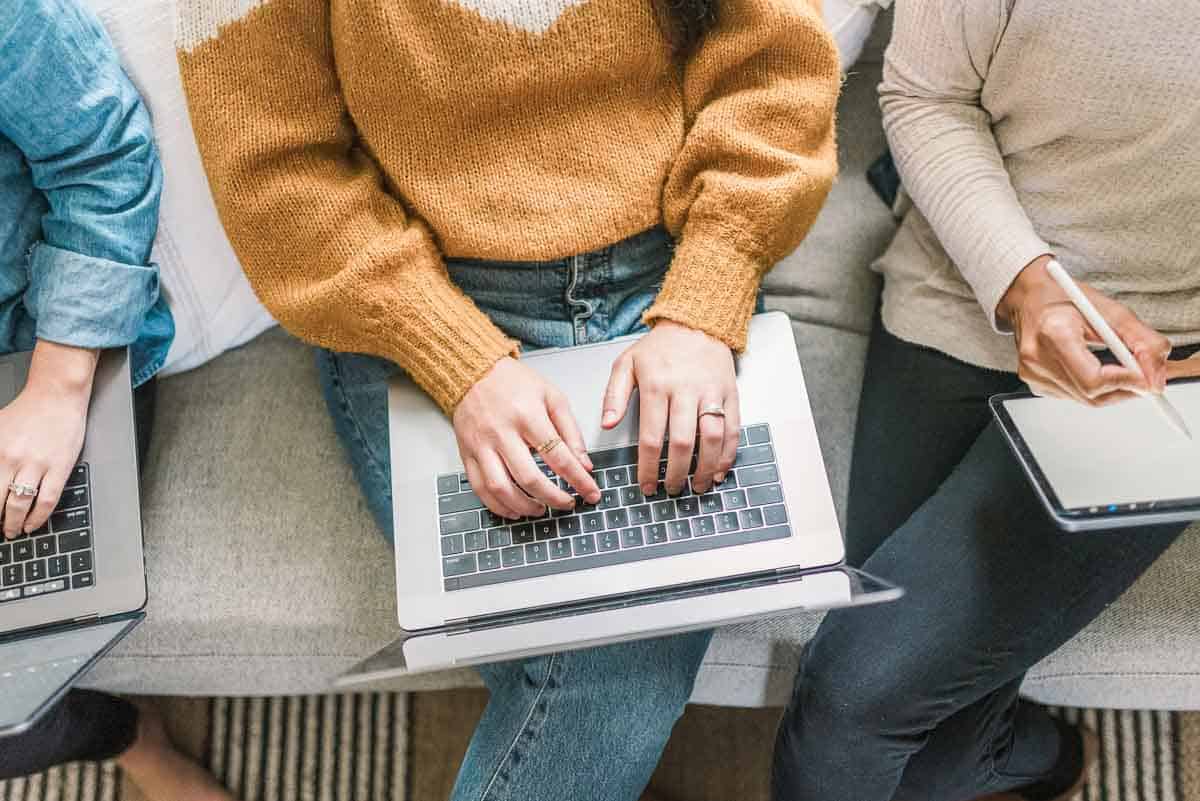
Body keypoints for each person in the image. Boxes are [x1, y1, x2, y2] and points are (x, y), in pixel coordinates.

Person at [175, 0, 840, 797]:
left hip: (673, 261)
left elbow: (777, 66)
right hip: (427, 292)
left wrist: (705, 298)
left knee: (603, 665)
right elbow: (276, 172)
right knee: (616, 670)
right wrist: (459, 362)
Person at [772, 2, 1200, 800]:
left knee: (860, 710)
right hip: (967, 279)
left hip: (1166, 364)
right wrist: (1022, 282)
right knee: (868, 720)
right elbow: (926, 95)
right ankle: (1026, 752)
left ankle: (1024, 753)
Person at [0, 2, 234, 799]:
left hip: (39, 355)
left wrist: (57, 387)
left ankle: (129, 737)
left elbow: (100, 155)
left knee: (19, 664)